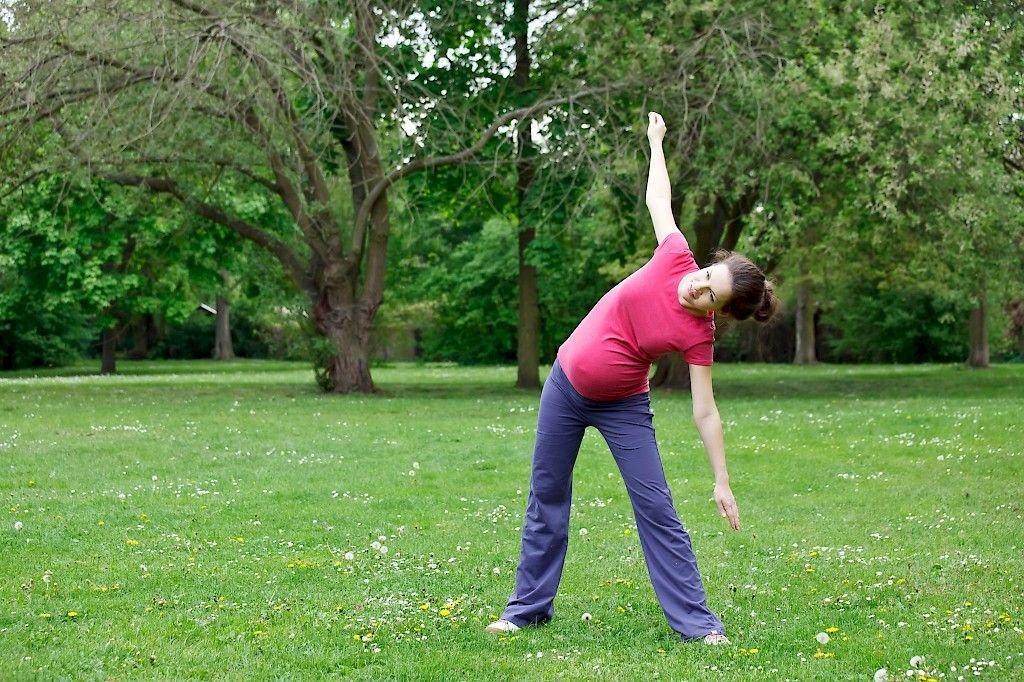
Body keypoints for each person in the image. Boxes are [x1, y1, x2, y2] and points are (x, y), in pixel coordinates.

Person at [484, 112, 779, 645]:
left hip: (623, 405)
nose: (697, 289)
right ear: (708, 264)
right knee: (546, 495)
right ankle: (526, 610)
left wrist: (722, 480)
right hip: (566, 387)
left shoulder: (701, 338)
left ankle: (697, 624)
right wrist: (656, 142)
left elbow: (705, 410)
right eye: (706, 277)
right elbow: (657, 202)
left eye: (710, 294)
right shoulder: (675, 257)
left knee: (657, 507)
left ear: (721, 311)